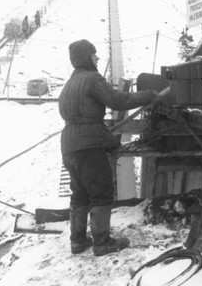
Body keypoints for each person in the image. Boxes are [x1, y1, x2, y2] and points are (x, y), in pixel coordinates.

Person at [59, 39, 158, 256]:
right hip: (89, 143)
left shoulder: (70, 84)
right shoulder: (92, 79)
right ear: (86, 57)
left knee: (80, 194)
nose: (97, 58)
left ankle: (77, 241)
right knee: (101, 192)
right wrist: (148, 96)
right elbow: (117, 100)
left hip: (69, 144)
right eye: (94, 55)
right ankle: (102, 242)